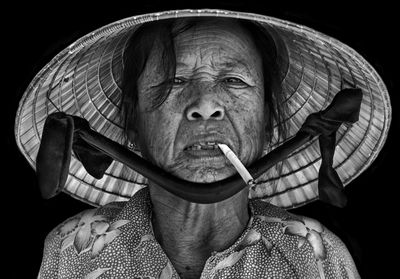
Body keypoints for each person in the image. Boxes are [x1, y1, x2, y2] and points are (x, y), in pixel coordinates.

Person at [15, 9, 391, 279]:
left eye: (234, 81)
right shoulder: (72, 250)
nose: (206, 105)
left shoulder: (315, 257)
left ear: (268, 123)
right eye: (174, 81)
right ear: (132, 122)